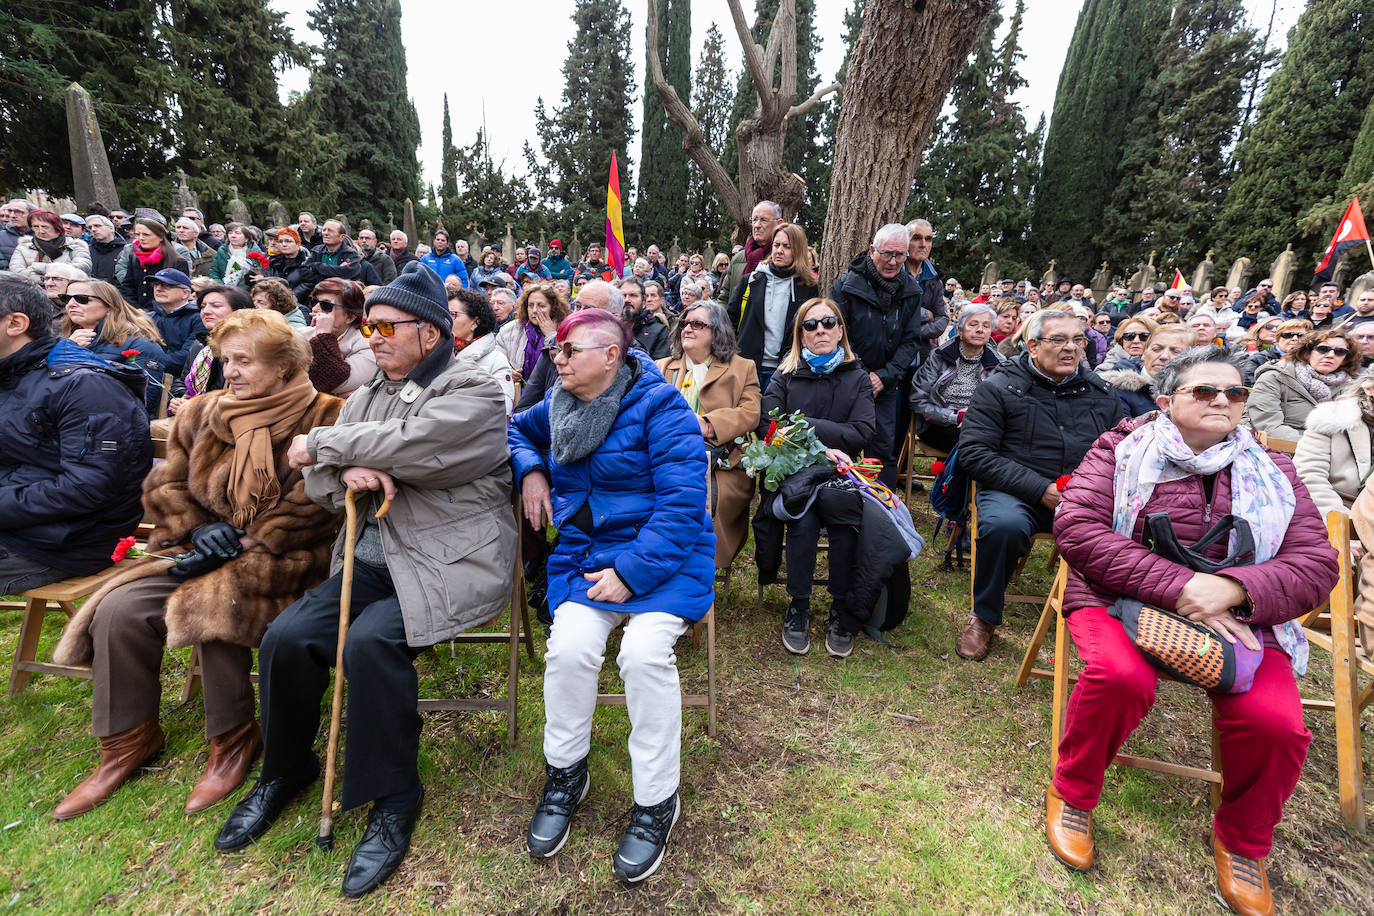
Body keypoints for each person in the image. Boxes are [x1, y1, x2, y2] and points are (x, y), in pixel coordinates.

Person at [216, 266, 515, 899]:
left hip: (446, 563)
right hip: (369, 561)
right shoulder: (369, 393)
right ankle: (285, 770)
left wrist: (324, 444)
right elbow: (322, 484)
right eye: (369, 325)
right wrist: (347, 471)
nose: (371, 336)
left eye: (384, 326)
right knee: (285, 639)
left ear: (429, 335)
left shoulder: (476, 390)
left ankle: (394, 798)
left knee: (369, 645)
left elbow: (418, 443)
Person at [1048, 346, 1337, 916]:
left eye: (1234, 393)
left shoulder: (1273, 470)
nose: (1222, 401)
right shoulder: (1120, 450)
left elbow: (1316, 565)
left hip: (1244, 616)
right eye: (1205, 391)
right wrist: (1182, 589)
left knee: (1276, 725)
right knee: (1120, 679)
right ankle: (1074, 793)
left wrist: (1232, 590)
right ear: (1166, 402)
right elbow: (1079, 531)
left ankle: (1244, 842)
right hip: (1118, 599)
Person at [50, 309, 342, 820]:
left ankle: (232, 739)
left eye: (245, 361)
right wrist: (197, 529)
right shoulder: (200, 412)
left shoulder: (328, 414)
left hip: (288, 560)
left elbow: (318, 504)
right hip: (200, 550)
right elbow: (166, 485)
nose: (230, 372)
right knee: (119, 610)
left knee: (215, 604)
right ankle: (126, 741)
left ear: (284, 367)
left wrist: (251, 538)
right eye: (226, 360)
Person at [509, 308, 713, 883]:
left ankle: (656, 800)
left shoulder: (662, 407)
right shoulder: (558, 406)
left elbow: (680, 510)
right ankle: (567, 773)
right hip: (587, 554)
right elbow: (515, 429)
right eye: (556, 352)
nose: (559, 360)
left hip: (664, 557)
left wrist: (630, 572)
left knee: (643, 655)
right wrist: (532, 472)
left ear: (611, 356)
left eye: (570, 352)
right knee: (569, 649)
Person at [956, 310, 1125, 660]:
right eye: (1059, 340)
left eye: (1078, 340)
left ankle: (1112, 622)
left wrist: (1089, 492)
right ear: (1032, 345)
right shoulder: (999, 388)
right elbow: (974, 454)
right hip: (1017, 491)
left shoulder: (1102, 394)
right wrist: (1041, 489)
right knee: (1003, 526)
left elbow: (1122, 454)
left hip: (1085, 496)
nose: (1071, 349)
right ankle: (984, 617)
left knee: (1130, 528)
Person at [0, 273, 151, 594]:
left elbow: (89, 488)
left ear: (15, 324)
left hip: (61, 541)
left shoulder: (86, 387)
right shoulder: (12, 372)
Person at [758, 299, 876, 657]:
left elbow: (862, 432)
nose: (820, 330)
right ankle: (800, 603)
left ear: (840, 330)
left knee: (841, 517)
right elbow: (768, 426)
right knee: (803, 517)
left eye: (828, 322)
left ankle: (840, 604)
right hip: (796, 472)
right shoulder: (785, 375)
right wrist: (820, 445)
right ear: (801, 336)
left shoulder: (857, 377)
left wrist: (802, 423)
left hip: (841, 475)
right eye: (811, 326)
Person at [656, 301, 761, 568]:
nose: (688, 329)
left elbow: (751, 413)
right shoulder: (661, 367)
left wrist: (706, 424)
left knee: (698, 496)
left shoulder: (741, 368)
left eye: (698, 324)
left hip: (720, 464)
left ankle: (695, 566)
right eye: (684, 324)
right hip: (664, 457)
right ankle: (658, 558)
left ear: (718, 331)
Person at [829, 223, 922, 487]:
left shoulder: (912, 291)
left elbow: (911, 339)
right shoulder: (847, 285)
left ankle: (883, 511)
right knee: (841, 444)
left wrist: (884, 376)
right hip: (846, 377)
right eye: (887, 254)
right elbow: (837, 334)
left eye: (900, 255)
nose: (893, 262)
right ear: (872, 250)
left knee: (882, 449)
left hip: (886, 383)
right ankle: (838, 507)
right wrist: (860, 375)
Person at [726, 222, 820, 391]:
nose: (779, 251)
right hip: (747, 366)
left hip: (785, 370)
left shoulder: (807, 287)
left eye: (787, 246)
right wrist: (733, 352)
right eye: (776, 245)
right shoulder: (752, 279)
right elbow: (729, 319)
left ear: (797, 250)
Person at [60, 279, 171, 415]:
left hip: (111, 427)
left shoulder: (141, 345)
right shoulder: (64, 342)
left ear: (109, 306)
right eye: (66, 298)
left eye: (81, 299)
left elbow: (142, 402)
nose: (71, 304)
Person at [910, 303, 1005, 454]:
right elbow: (917, 400)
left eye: (986, 326)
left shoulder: (999, 362)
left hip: (980, 424)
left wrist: (976, 416)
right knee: (974, 443)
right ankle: (957, 477)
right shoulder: (939, 357)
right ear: (960, 330)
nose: (980, 330)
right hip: (939, 425)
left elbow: (1004, 403)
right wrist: (956, 417)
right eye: (973, 324)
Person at [1246, 326, 1360, 442]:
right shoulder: (1274, 378)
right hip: (1287, 450)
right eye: (1323, 349)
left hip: (1336, 450)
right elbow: (1268, 426)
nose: (1331, 355)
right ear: (1306, 353)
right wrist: (1314, 447)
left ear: (1345, 359)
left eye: (1340, 352)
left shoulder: (1350, 386)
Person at [1295, 367, 1374, 518]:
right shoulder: (1331, 419)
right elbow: (1310, 477)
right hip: (1341, 511)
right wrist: (1344, 523)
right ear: (1369, 388)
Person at [168, 284, 255, 415]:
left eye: (216, 306)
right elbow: (182, 381)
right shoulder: (201, 344)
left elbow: (246, 396)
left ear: (239, 310)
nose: (206, 311)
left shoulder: (251, 347)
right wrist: (179, 399)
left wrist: (196, 406)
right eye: (203, 306)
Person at [1098, 326, 1194, 418]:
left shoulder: (1198, 392)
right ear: (1144, 354)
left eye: (1176, 351)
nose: (1164, 356)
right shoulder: (1116, 390)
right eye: (1156, 349)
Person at [304, 278, 377, 398]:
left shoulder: (367, 345)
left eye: (325, 305)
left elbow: (334, 382)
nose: (314, 309)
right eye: (313, 302)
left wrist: (323, 336)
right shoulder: (302, 334)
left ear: (350, 316)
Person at [449, 286, 515, 413]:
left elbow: (502, 407)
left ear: (475, 322)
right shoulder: (437, 353)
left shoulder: (496, 360)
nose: (446, 320)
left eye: (453, 315)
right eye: (445, 314)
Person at [497, 282, 569, 384]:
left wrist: (551, 336)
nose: (534, 310)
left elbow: (563, 367)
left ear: (553, 308)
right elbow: (496, 363)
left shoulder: (565, 330)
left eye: (541, 306)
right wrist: (507, 373)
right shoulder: (509, 330)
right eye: (531, 305)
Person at [117, 218, 190, 311]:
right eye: (137, 234)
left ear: (160, 236)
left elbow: (178, 293)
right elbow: (128, 287)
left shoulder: (177, 261)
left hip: (164, 314)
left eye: (146, 235)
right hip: (137, 314)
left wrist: (152, 312)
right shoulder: (135, 256)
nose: (141, 238)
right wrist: (136, 310)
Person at [719, 201, 783, 305]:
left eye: (763, 220)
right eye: (754, 220)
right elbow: (724, 297)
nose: (757, 225)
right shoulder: (738, 258)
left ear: (779, 223)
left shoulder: (782, 259)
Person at [147, 268, 208, 376]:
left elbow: (186, 358)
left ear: (186, 293)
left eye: (166, 285)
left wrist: (149, 363)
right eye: (155, 284)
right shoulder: (147, 318)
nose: (158, 289)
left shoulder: (199, 318)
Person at [9, 209, 92, 279]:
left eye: (45, 227)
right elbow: (17, 273)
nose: (40, 231)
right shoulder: (23, 248)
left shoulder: (75, 247)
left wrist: (36, 267)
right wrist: (47, 279)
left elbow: (82, 268)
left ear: (57, 228)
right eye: (36, 227)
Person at [1244, 317, 1311, 382]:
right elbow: (1252, 385)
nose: (1295, 338)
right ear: (1277, 338)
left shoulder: (1313, 358)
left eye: (1301, 335)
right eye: (1288, 335)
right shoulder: (1257, 359)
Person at [621, 278, 670, 359]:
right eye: (623, 296)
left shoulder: (660, 331)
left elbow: (659, 366)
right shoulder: (609, 328)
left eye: (633, 295)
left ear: (643, 302)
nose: (627, 300)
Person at [208, 223, 264, 289]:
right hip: (224, 291)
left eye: (237, 233)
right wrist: (222, 287)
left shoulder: (256, 253)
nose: (233, 236)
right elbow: (214, 273)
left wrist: (261, 277)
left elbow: (263, 274)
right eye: (230, 233)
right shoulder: (222, 251)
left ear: (246, 238)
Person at [85, 215, 125, 281]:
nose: (93, 229)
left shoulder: (125, 250)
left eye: (97, 226)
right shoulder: (87, 251)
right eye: (90, 227)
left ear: (111, 228)